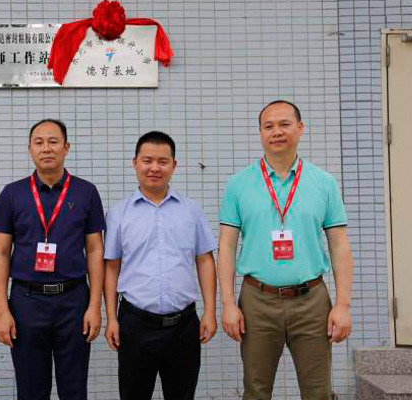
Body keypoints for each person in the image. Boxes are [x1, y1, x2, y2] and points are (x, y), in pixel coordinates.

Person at [218, 100, 354, 400]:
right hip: (257, 301)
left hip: (312, 301)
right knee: (256, 390)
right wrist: (227, 304)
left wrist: (342, 305)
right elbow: (226, 247)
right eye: (268, 126)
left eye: (284, 124)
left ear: (300, 128)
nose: (276, 132)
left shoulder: (324, 183)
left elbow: (339, 245)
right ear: (260, 133)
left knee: (318, 392)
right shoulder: (238, 185)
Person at [0, 119, 105, 400]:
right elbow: (0, 253)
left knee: (74, 389)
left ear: (66, 147)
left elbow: (94, 250)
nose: (46, 148)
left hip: (73, 300)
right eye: (39, 142)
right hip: (26, 302)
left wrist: (95, 306)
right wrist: (2, 308)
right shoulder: (12, 193)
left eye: (53, 142)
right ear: (30, 149)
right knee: (31, 390)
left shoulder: (86, 192)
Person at [104, 131, 218, 400]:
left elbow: (205, 260)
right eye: (147, 160)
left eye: (162, 161)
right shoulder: (118, 213)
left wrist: (210, 312)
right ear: (135, 163)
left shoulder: (191, 210)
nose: (154, 168)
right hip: (135, 324)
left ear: (174, 165)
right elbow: (111, 267)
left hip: (183, 326)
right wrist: (111, 318)